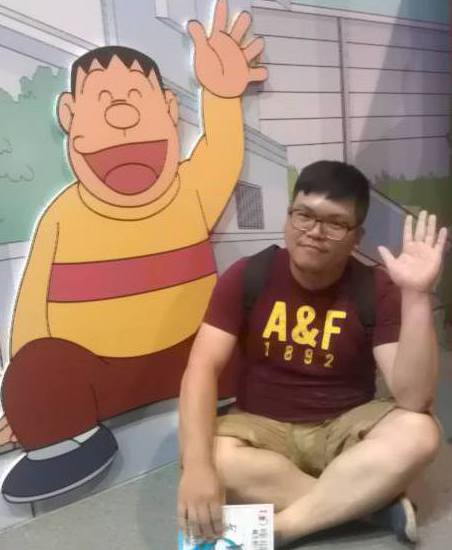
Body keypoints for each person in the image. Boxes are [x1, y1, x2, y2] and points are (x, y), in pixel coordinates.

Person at [0, 0, 267, 502]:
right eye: (102, 100)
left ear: (167, 109)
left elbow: (222, 151)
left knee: (239, 325)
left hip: (191, 357)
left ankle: (236, 404)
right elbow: (32, 311)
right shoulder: (63, 215)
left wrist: (221, 95)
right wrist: (27, 398)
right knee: (38, 366)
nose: (121, 115)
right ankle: (63, 444)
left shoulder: (191, 190)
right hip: (99, 372)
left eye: (135, 98)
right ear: (69, 115)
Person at [178, 160, 447, 546]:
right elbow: (201, 367)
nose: (315, 232)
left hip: (344, 428)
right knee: (206, 455)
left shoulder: (374, 288)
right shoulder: (248, 275)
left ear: (356, 237)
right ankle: (367, 502)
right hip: (260, 425)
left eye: (336, 223)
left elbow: (413, 398)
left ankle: (285, 528)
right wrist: (198, 468)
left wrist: (416, 295)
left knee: (421, 432)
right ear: (289, 218)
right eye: (304, 215)